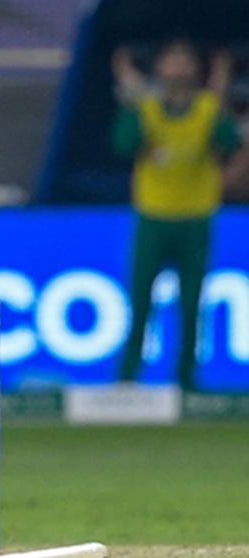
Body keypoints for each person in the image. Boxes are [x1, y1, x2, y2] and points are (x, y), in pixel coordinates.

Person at [111, 38, 241, 391]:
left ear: (196, 69)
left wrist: (221, 92)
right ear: (159, 68)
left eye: (186, 60)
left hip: (195, 218)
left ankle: (187, 380)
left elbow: (230, 143)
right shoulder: (147, 108)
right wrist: (131, 99)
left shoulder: (207, 109)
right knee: (140, 301)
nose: (179, 68)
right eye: (172, 60)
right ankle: (127, 378)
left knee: (191, 303)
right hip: (153, 216)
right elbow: (122, 145)